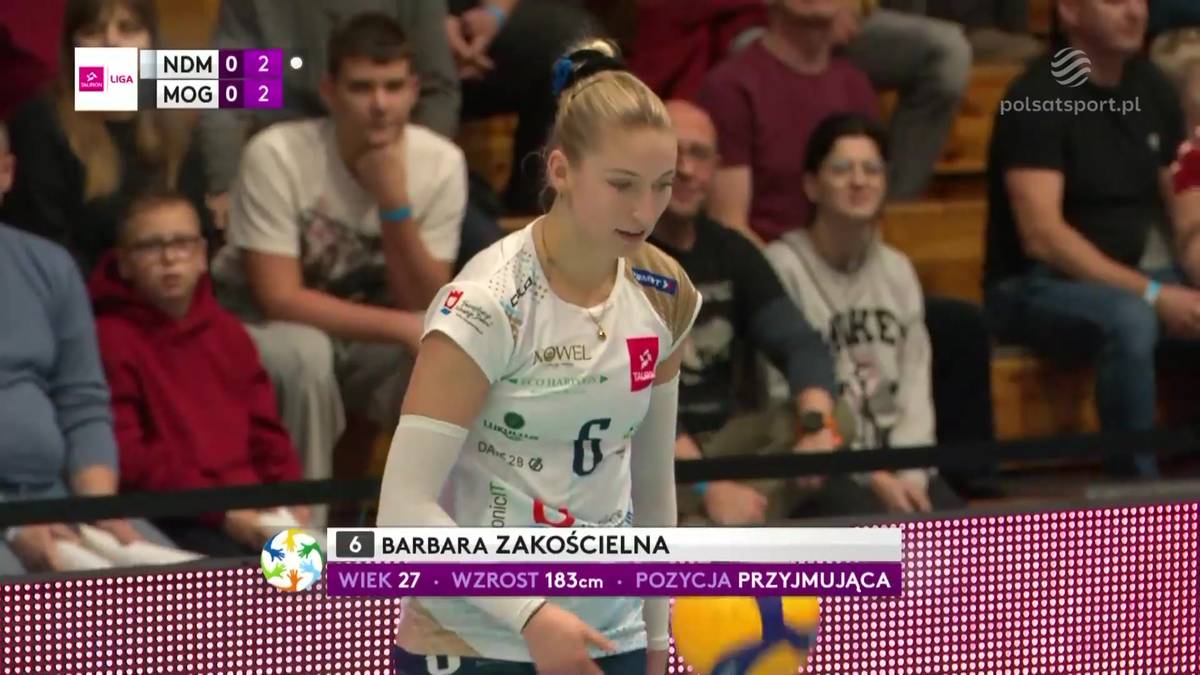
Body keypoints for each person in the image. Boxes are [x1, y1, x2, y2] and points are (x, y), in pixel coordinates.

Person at [376, 41, 698, 675]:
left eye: (662, 186)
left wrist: (657, 639)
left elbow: (651, 483)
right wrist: (530, 614)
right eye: (621, 185)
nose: (644, 211)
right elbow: (402, 513)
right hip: (475, 640)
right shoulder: (488, 301)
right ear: (561, 170)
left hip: (612, 633)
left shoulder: (665, 292)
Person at [211, 13, 467, 496]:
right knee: (309, 355)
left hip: (364, 333)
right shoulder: (277, 154)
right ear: (329, 91)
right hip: (263, 325)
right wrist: (402, 327)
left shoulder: (441, 163)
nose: (380, 104)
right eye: (362, 87)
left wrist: (394, 204)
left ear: (414, 90)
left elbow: (422, 300)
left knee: (447, 360)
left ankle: (419, 521)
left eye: (393, 87)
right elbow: (278, 299)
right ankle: (305, 524)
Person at [984, 0, 1200, 478]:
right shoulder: (1037, 96)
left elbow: (1187, 201)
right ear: (1070, 12)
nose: (1134, 12)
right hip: (1034, 285)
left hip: (1131, 277)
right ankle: (1138, 491)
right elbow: (1043, 237)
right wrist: (1153, 293)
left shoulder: (1152, 88)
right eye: (1114, 0)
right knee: (1131, 319)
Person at [0, 123, 185, 576]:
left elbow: (82, 400)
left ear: (6, 173)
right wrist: (13, 525)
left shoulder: (49, 265)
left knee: (183, 591)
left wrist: (98, 506)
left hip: (56, 500)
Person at [645, 100, 840, 526]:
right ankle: (719, 513)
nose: (687, 170)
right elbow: (633, 399)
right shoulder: (623, 252)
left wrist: (816, 426)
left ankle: (724, 518)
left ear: (715, 168)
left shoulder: (732, 251)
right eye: (673, 153)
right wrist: (706, 486)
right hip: (650, 448)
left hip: (728, 441)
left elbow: (801, 344)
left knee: (835, 417)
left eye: (699, 155)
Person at [90, 189, 309, 557]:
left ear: (202, 255)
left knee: (346, 573)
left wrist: (290, 496)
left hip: (254, 510)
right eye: (151, 246)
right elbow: (131, 457)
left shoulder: (228, 332)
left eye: (182, 243)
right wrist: (222, 512)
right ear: (124, 263)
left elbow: (266, 431)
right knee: (251, 582)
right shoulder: (110, 338)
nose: (170, 258)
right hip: (175, 515)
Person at [764, 113, 964, 515]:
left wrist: (911, 475)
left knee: (965, 541)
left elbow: (915, 387)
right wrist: (871, 477)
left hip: (902, 467)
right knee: (877, 540)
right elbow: (779, 396)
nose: (859, 181)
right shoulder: (781, 268)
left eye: (872, 169)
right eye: (842, 169)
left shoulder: (897, 270)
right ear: (811, 185)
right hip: (821, 466)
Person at [0, 0, 211, 274]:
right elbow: (44, 249)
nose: (111, 42)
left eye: (128, 29)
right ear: (72, 48)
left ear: (151, 43)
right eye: (92, 31)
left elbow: (199, 237)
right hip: (75, 292)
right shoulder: (40, 123)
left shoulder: (176, 127)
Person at [445, 0, 604, 213]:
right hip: (408, 22)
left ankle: (536, 207)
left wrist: (495, 13)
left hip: (479, 21)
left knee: (579, 47)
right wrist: (428, 26)